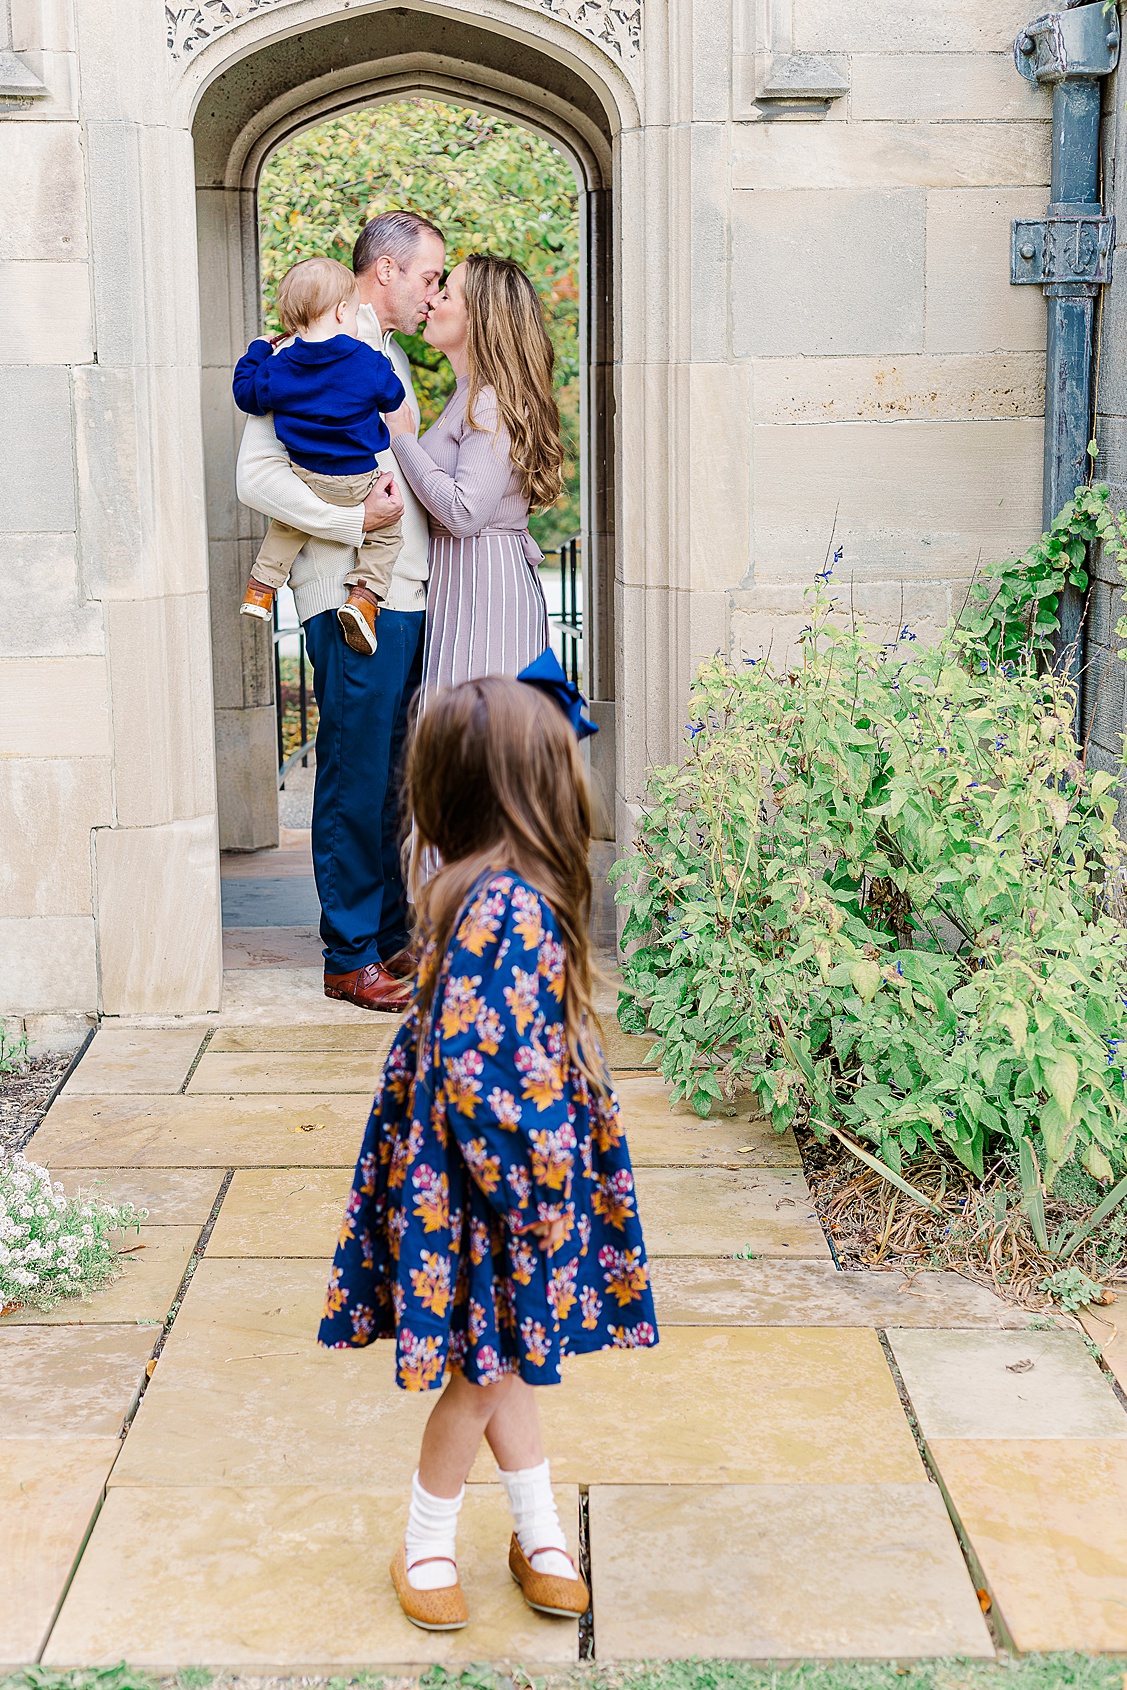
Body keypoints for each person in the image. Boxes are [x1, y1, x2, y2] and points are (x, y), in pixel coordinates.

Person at [318, 673, 658, 1632]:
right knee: (482, 1372)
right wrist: (544, 1189)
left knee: (502, 1357)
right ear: (534, 790)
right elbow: (479, 1077)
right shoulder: (507, 906)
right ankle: (425, 1543)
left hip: (473, 1182)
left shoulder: (476, 886)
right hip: (494, 1188)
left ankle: (538, 1529)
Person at [235, 210, 445, 1011]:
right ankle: (347, 953)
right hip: (343, 593)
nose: (434, 295)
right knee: (355, 774)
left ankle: (389, 937)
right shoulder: (301, 348)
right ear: (385, 271)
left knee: (392, 773)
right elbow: (256, 477)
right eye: (428, 277)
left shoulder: (387, 357)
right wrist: (355, 523)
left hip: (405, 593)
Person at [387, 254, 562, 701]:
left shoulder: (490, 402)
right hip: (461, 582)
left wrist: (403, 441)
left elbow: (465, 513)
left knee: (480, 740)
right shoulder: (466, 394)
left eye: (446, 294)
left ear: (479, 319)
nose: (431, 300)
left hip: (485, 588)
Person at [233, 255, 406, 657]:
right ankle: (363, 597)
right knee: (386, 533)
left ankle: (260, 590)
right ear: (343, 311)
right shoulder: (365, 359)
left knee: (289, 525)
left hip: (305, 474)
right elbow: (392, 396)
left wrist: (258, 350)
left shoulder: (279, 368)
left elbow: (247, 394)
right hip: (358, 479)